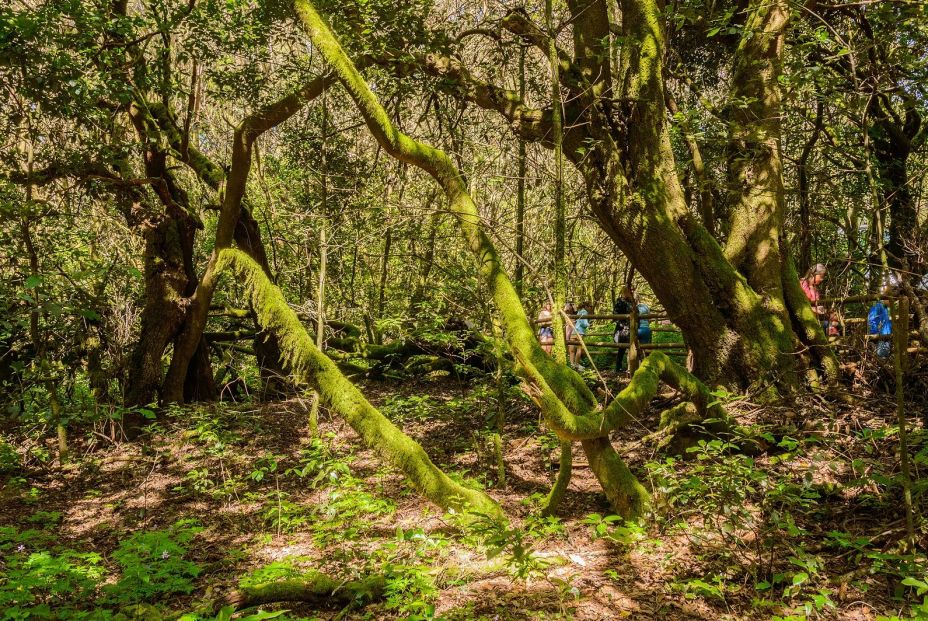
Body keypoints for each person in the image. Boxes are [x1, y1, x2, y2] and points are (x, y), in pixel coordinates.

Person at [613, 287, 634, 372]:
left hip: (630, 327)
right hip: (622, 328)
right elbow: (615, 315)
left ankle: (631, 367)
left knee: (631, 347)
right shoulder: (619, 301)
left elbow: (635, 312)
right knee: (622, 348)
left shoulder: (631, 302)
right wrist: (622, 325)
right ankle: (618, 368)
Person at [800, 263, 828, 328]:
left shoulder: (813, 287)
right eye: (821, 276)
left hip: (813, 318)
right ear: (814, 274)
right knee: (827, 324)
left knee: (827, 324)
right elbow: (800, 304)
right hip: (804, 318)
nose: (822, 279)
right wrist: (813, 309)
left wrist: (818, 308)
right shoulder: (802, 283)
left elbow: (815, 301)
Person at [868, 288, 892, 359]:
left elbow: (886, 322)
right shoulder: (878, 306)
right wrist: (875, 334)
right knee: (880, 357)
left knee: (885, 356)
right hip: (880, 336)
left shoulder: (885, 308)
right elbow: (871, 320)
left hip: (886, 336)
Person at [570, 302, 591, 369]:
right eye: (589, 306)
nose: (590, 308)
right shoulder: (584, 312)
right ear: (586, 306)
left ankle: (572, 364)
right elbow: (583, 323)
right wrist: (588, 324)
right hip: (580, 332)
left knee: (572, 349)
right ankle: (576, 364)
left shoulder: (579, 312)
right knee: (579, 349)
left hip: (574, 331)